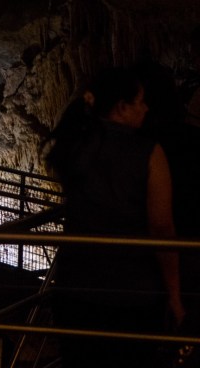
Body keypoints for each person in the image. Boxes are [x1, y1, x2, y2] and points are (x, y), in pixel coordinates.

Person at [45, 67, 184, 368]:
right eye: (140, 101)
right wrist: (174, 293)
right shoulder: (148, 153)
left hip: (74, 288)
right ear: (121, 106)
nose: (146, 108)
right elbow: (161, 227)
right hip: (131, 293)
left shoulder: (75, 144)